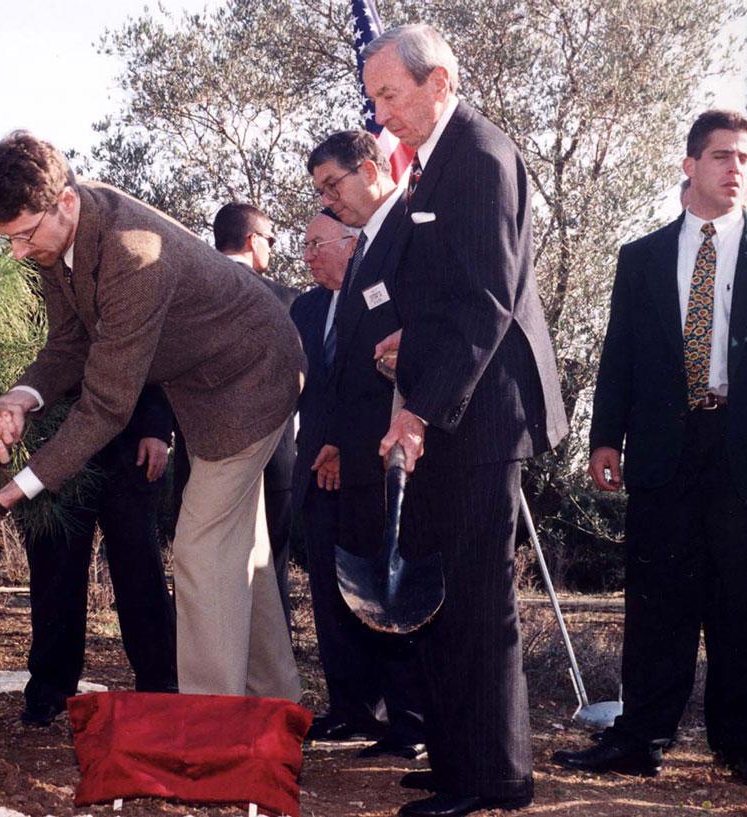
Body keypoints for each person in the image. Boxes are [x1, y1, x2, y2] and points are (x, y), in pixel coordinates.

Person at [0, 131, 303, 701]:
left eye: (22, 237)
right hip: (206, 388)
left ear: (64, 201)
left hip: (252, 381)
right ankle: (279, 708)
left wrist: (3, 500)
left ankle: (210, 735)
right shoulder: (61, 238)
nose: (17, 253)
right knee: (245, 553)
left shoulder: (130, 253)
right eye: (7, 241)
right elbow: (69, 342)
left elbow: (105, 409)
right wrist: (23, 395)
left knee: (200, 554)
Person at [552, 109, 747, 789]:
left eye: (744, 158)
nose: (736, 169)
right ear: (689, 165)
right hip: (664, 449)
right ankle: (639, 736)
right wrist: (603, 436)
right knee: (657, 600)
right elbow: (619, 355)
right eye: (721, 157)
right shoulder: (641, 257)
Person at [362, 25, 568, 817]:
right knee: (445, 593)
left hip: (481, 419)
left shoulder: (479, 156)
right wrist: (411, 336)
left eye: (390, 95)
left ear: (438, 80)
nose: (381, 116)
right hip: (458, 408)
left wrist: (416, 409)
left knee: (480, 600)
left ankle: (494, 778)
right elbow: (459, 291)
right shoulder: (437, 161)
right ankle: (456, 757)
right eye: (375, 98)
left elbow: (489, 300)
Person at [303, 135, 425, 759]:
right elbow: (349, 377)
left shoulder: (405, 241)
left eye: (332, 187)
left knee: (395, 585)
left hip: (393, 458)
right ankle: (395, 720)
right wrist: (335, 445)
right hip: (356, 459)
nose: (329, 201)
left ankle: (412, 722)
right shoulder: (350, 286)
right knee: (367, 589)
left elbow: (394, 372)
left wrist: (366, 446)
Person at [169, 202, 298, 625]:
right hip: (274, 451)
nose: (273, 250)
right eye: (272, 240)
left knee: (207, 559)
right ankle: (268, 671)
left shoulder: (187, 295)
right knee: (268, 564)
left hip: (202, 448)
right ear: (252, 239)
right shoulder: (286, 301)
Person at [19, 384, 177, 726]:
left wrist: (157, 429)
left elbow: (156, 363)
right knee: (53, 573)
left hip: (129, 443)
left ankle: (160, 686)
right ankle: (50, 689)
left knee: (141, 571)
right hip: (58, 444)